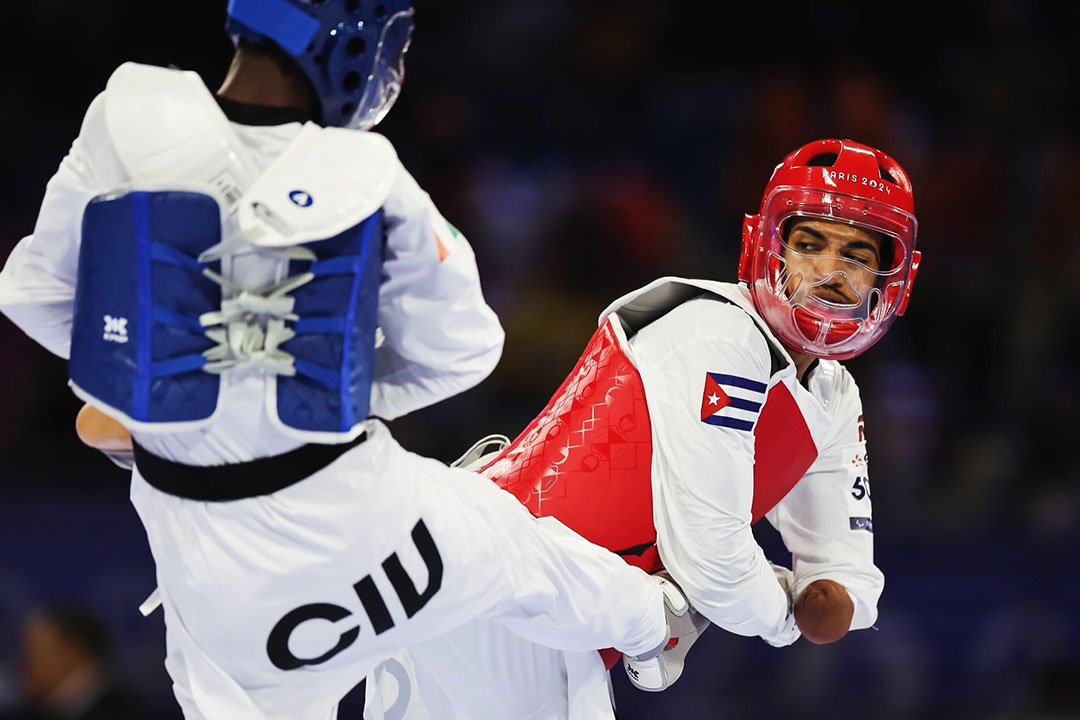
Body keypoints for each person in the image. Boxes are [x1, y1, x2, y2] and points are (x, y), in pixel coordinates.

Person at [0, 2, 678, 718]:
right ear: (359, 44)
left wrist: (161, 393)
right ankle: (657, 622)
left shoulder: (127, 117)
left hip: (215, 574)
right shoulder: (367, 174)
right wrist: (331, 394)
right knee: (520, 553)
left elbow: (32, 292)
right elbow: (467, 348)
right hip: (364, 522)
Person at [362, 138, 923, 719]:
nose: (829, 272)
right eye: (809, 245)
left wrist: (803, 600)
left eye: (857, 256)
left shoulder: (832, 396)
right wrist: (775, 611)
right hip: (498, 586)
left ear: (893, 278)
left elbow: (843, 580)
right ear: (766, 245)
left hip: (547, 616)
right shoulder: (718, 334)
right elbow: (715, 563)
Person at [16, 605, 144, 720]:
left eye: (35, 651)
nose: (24, 663)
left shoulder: (117, 714)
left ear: (72, 651)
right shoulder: (51, 710)